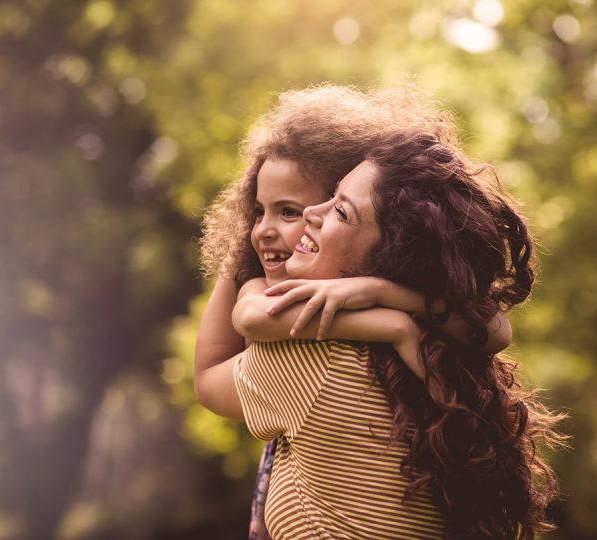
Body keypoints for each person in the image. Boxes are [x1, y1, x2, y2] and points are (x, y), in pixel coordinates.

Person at [193, 85, 514, 538]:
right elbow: (495, 329)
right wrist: (397, 313)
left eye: (335, 209)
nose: (307, 219)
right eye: (257, 213)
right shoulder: (444, 340)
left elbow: (209, 378)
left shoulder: (311, 353)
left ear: (389, 243)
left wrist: (241, 268)